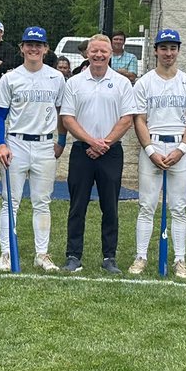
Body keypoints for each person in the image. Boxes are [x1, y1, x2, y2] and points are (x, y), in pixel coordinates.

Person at [60, 33, 135, 274]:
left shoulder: (122, 83)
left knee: (110, 206)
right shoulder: (74, 82)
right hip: (82, 152)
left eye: (103, 51)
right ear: (87, 54)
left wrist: (105, 143)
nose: (99, 55)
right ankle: (73, 256)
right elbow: (68, 118)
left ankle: (109, 257)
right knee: (77, 205)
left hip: (111, 153)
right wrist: (92, 142)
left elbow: (127, 119)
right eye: (94, 51)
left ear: (111, 53)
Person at [0, 26, 66, 271]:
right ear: (22, 48)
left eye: (38, 45)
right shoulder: (10, 78)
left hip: (45, 143)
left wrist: (62, 141)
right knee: (9, 201)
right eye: (29, 44)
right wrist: (1, 143)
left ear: (46, 48)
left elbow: (60, 113)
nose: (33, 49)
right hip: (16, 142)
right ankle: (6, 253)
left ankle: (42, 254)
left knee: (42, 202)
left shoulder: (56, 78)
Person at [131, 29, 186, 279]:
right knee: (146, 206)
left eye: (173, 48)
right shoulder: (144, 82)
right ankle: (140, 257)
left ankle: (180, 260)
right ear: (156, 50)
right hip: (152, 146)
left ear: (178, 50)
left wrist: (182, 149)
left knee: (179, 207)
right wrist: (150, 150)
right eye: (164, 48)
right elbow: (139, 119)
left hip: (178, 149)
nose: (168, 53)